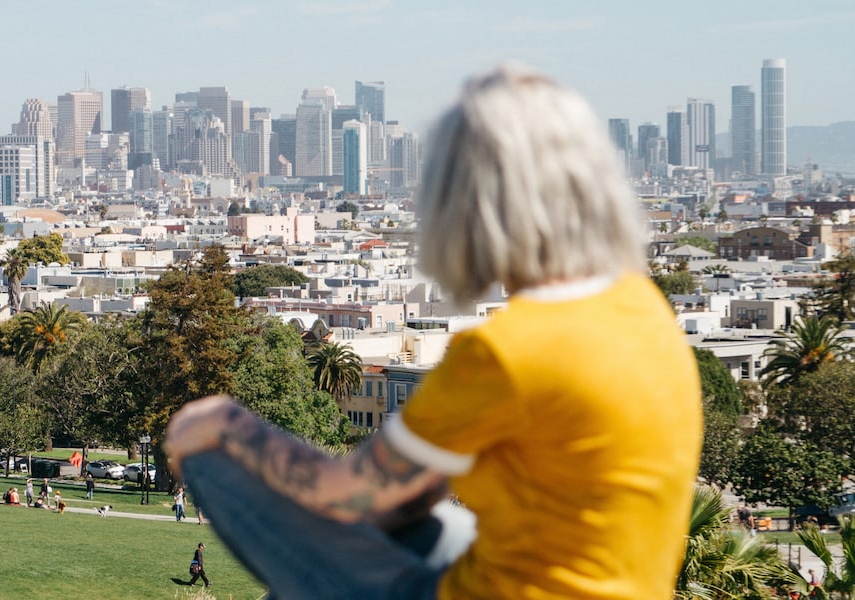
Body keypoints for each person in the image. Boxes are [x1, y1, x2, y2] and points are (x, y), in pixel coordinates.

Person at [164, 64, 702, 600]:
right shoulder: (645, 309)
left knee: (208, 452)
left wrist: (225, 422)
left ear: (457, 205)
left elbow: (347, 497)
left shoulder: (507, 353)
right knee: (433, 523)